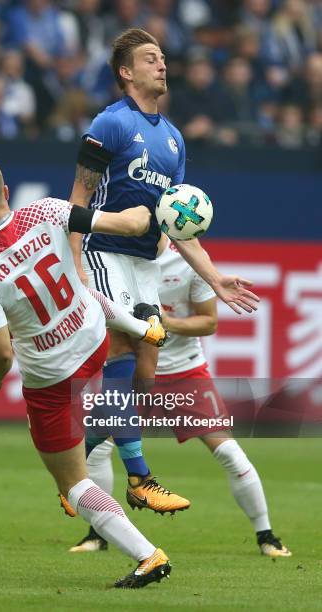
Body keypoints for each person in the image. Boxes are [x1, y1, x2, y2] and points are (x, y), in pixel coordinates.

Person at [68, 28, 259, 515]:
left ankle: (80, 452)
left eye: (163, 58)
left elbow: (178, 226)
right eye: (150, 59)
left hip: (146, 266)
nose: (162, 65)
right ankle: (139, 478)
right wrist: (76, 263)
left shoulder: (172, 139)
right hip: (106, 254)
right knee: (128, 347)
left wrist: (215, 279)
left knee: (146, 375)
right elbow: (79, 199)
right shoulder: (110, 124)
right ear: (127, 72)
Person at [0, 157, 173, 589]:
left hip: (52, 376)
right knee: (83, 289)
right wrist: (141, 214)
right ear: (5, 190)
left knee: (74, 483)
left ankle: (148, 556)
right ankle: (142, 330)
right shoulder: (47, 210)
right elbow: (124, 225)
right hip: (94, 341)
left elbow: (2, 351)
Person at [69, 238, 291, 558]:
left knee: (230, 454)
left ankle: (266, 535)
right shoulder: (119, 256)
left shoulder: (190, 261)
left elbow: (209, 321)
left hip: (185, 374)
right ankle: (97, 533)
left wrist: (161, 322)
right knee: (97, 451)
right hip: (135, 372)